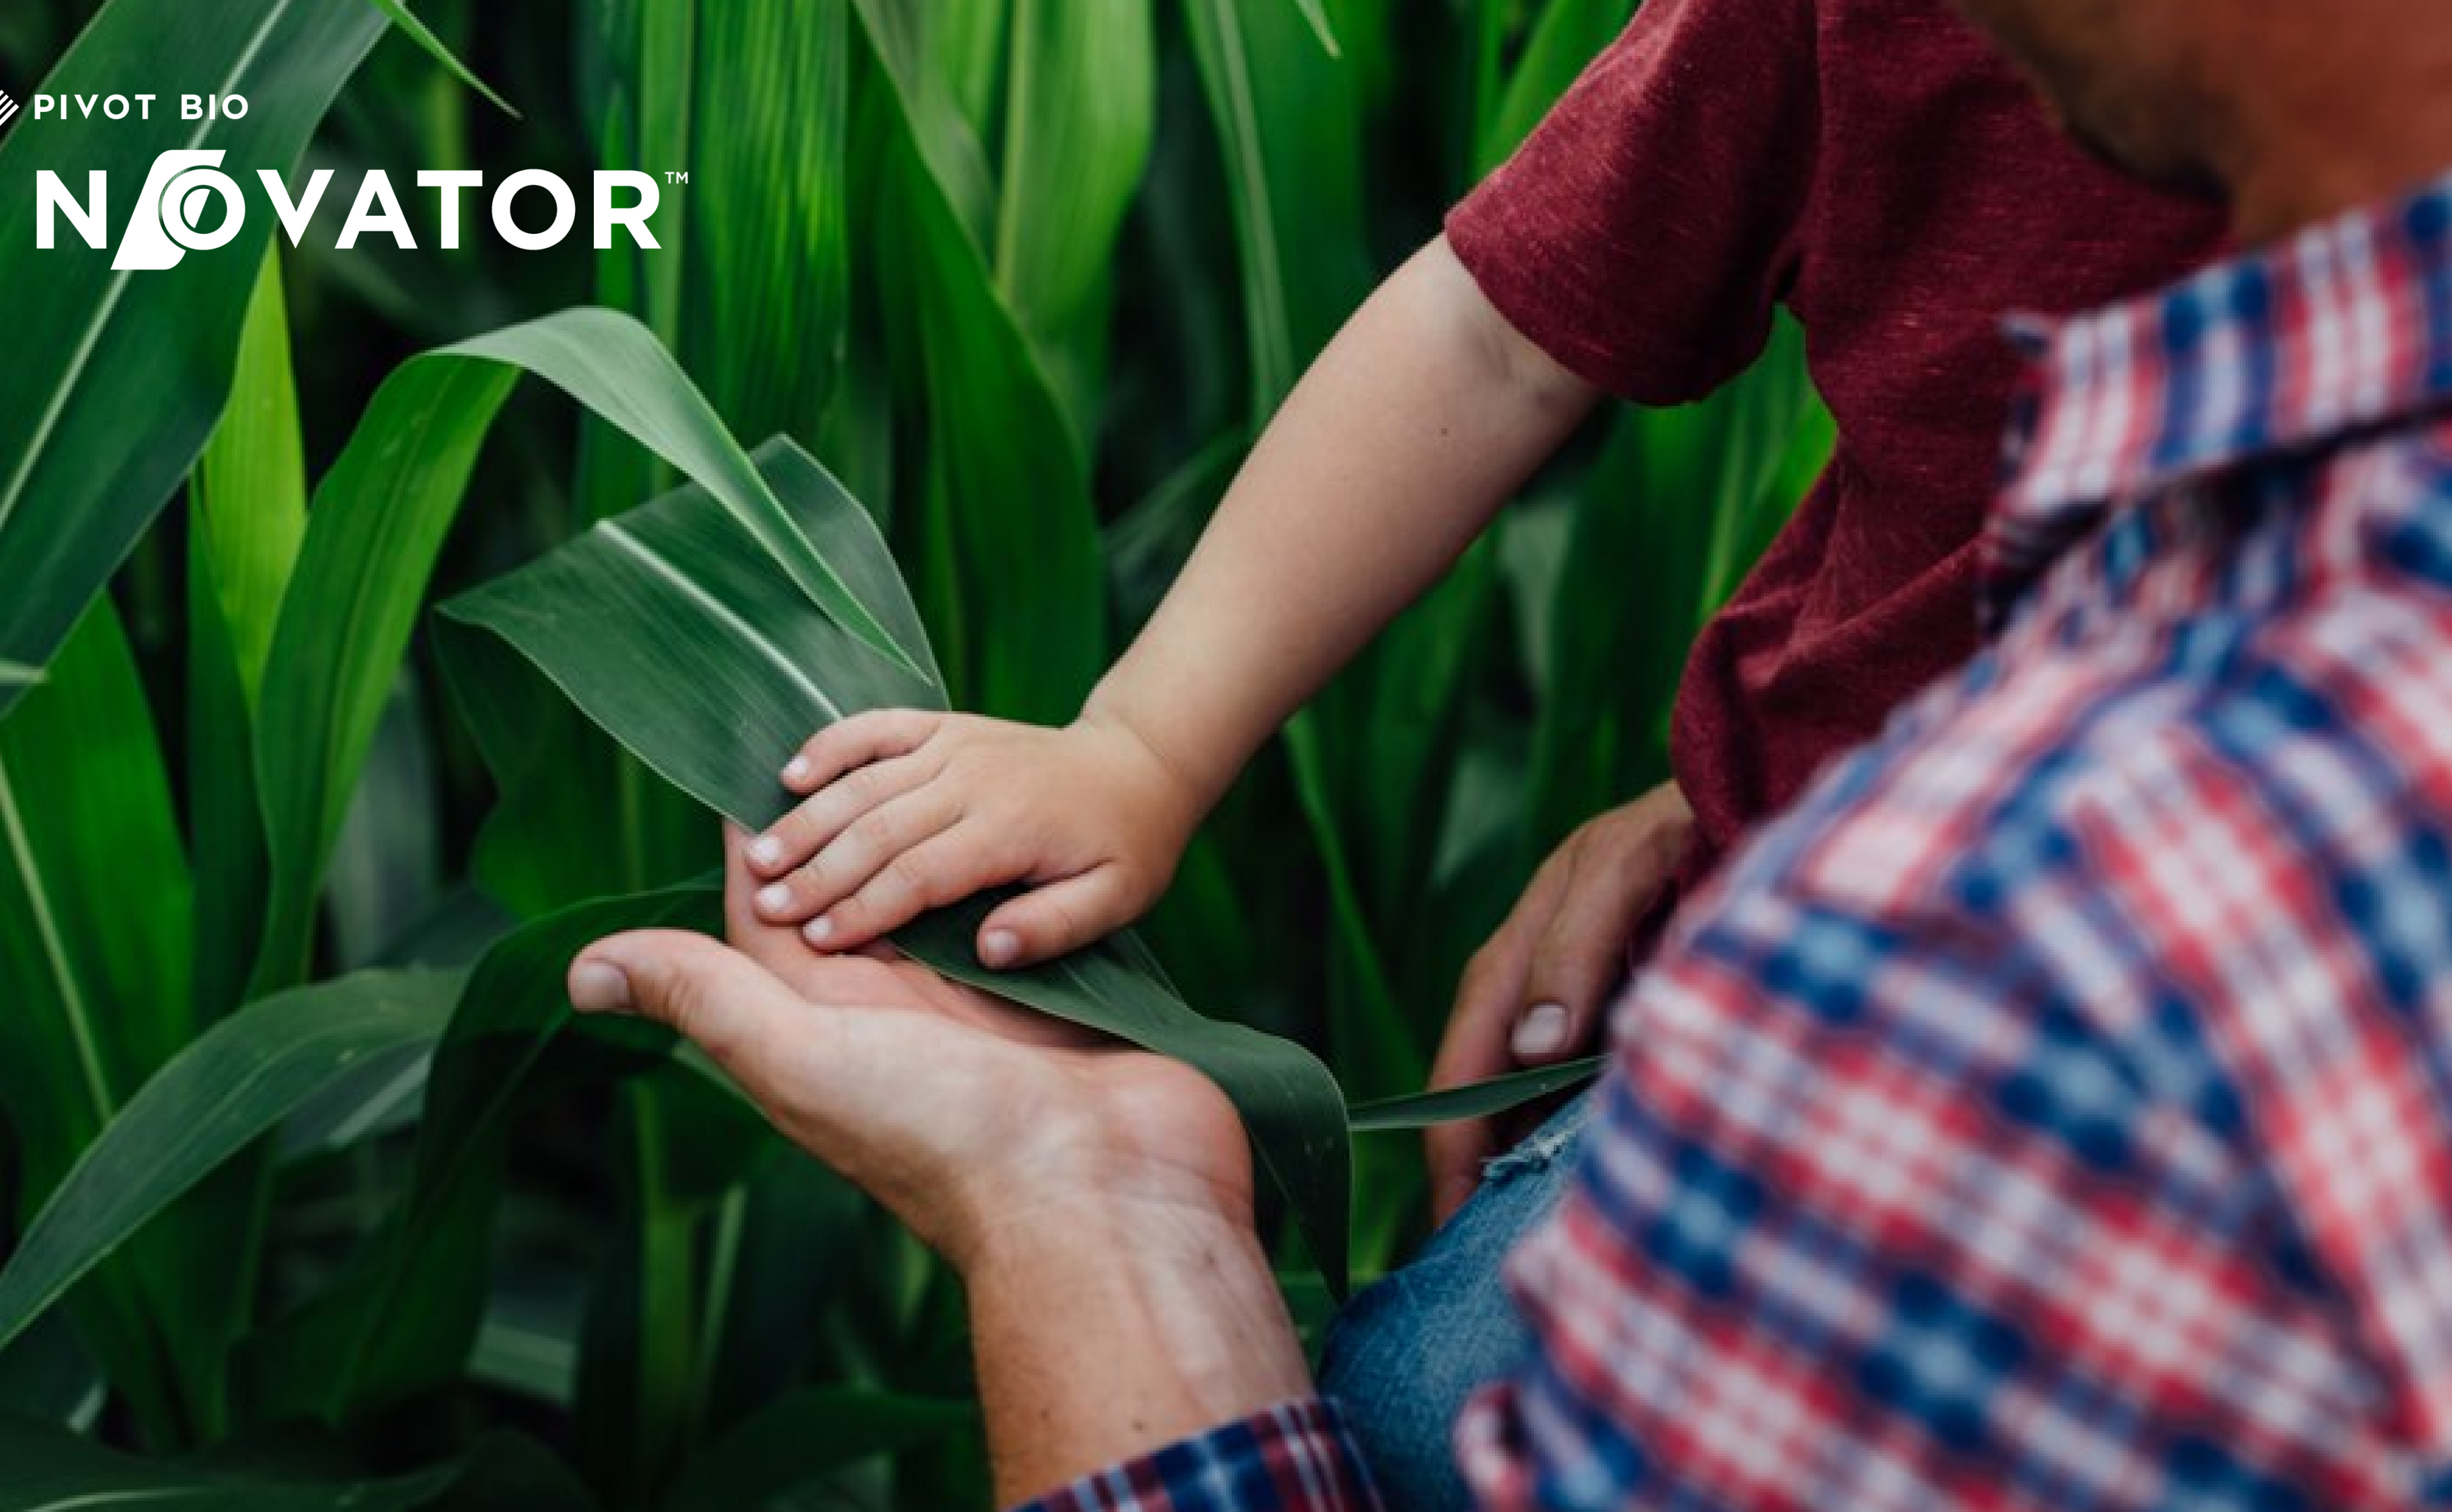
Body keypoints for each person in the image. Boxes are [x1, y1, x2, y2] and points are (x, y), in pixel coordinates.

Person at [569, 0, 2452, 1502]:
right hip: (1867, 935)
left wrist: (1082, 1220)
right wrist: (1145, 737)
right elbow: (1503, 323)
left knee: (1417, 1413)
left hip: (1967, 1069)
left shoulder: (2034, 930)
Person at [730, 9, 2213, 1492]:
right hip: (1815, 955)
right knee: (1419, 1411)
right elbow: (1494, 331)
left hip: (2171, 1065)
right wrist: (1142, 743)